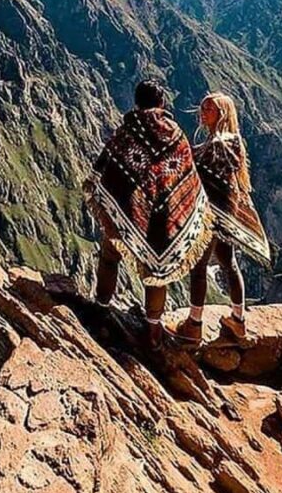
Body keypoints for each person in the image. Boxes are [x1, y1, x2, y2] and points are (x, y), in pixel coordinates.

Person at [83, 80, 213, 350]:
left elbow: (106, 168)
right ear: (162, 103)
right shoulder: (176, 134)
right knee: (157, 272)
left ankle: (101, 311)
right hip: (163, 219)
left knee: (109, 258)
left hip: (126, 213)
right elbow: (187, 177)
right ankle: (154, 331)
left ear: (137, 103)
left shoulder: (127, 131)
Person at [173, 92, 271, 345]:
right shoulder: (230, 140)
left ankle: (193, 325)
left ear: (223, 113)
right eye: (202, 108)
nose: (202, 112)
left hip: (213, 217)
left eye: (209, 109)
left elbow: (198, 167)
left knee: (199, 267)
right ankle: (238, 320)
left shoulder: (219, 143)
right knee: (229, 263)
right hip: (226, 216)